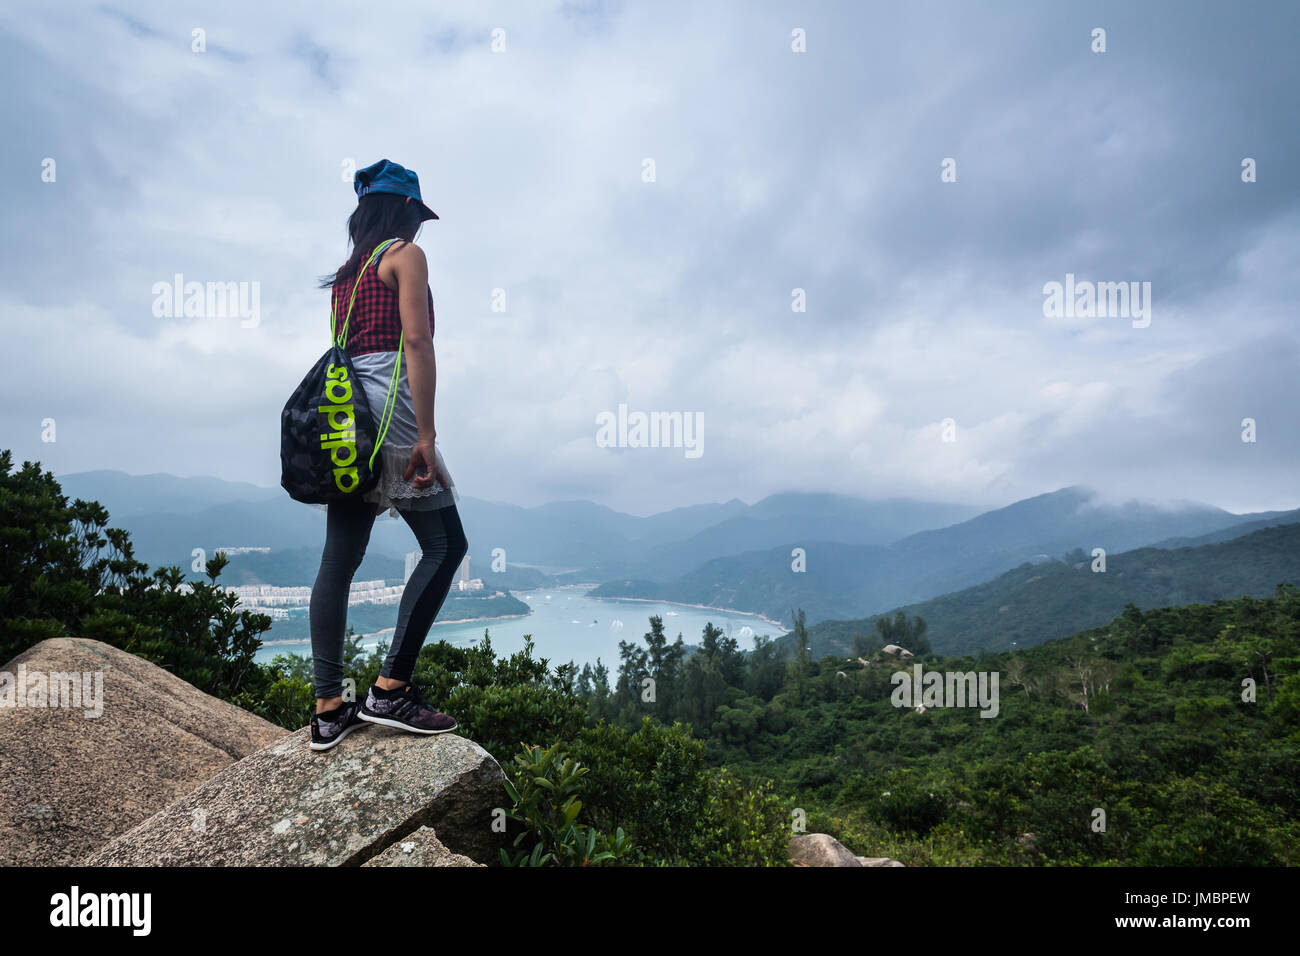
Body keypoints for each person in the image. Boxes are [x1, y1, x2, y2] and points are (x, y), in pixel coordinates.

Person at [308, 158, 467, 752]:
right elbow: (417, 342)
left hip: (346, 421)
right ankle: (390, 688)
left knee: (338, 560)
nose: (420, 227)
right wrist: (425, 434)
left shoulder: (347, 276)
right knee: (447, 545)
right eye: (417, 214)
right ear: (402, 210)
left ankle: (328, 709)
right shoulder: (405, 256)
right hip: (392, 410)